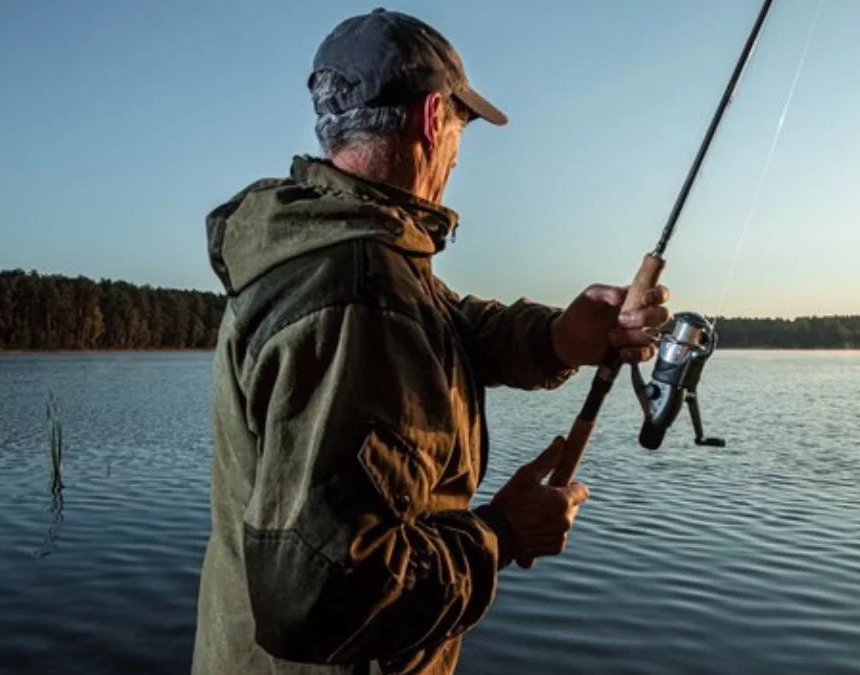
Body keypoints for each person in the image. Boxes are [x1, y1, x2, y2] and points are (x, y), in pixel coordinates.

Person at [191, 8, 671, 675]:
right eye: (460, 127)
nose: (457, 151)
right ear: (430, 118)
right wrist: (499, 535)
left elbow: (452, 323)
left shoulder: (343, 249)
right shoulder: (358, 293)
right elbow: (317, 598)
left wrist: (563, 336)